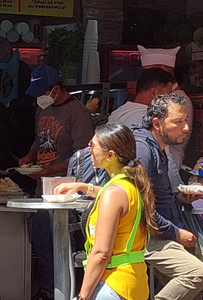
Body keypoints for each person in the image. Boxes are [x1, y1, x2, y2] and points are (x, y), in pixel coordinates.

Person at [54, 122, 157, 300]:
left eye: (92, 145)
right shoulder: (129, 186)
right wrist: (84, 187)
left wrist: (82, 296)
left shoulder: (114, 193)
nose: (89, 150)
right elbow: (110, 195)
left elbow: (101, 253)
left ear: (110, 155)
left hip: (113, 285)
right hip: (134, 283)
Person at [19, 64, 94, 300]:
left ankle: (64, 291)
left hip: (65, 190)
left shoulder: (78, 113)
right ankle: (47, 289)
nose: (40, 97)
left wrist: (50, 169)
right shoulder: (43, 110)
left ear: (56, 89)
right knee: (41, 239)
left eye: (43, 91)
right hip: (42, 187)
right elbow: (39, 139)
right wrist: (30, 157)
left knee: (62, 242)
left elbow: (82, 156)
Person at [133, 93, 203, 300]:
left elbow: (157, 196)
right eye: (178, 122)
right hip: (148, 236)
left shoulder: (159, 149)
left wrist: (180, 198)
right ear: (157, 124)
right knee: (196, 273)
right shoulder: (143, 149)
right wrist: (176, 233)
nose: (186, 128)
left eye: (185, 121)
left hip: (163, 231)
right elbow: (140, 206)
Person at [137, 46, 193, 188]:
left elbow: (169, 148)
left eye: (151, 71)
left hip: (169, 169)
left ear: (162, 70)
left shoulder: (178, 101)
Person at [108, 67, 176, 128]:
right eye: (168, 94)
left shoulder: (117, 113)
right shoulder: (149, 120)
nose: (170, 99)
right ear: (154, 93)